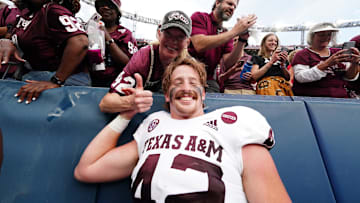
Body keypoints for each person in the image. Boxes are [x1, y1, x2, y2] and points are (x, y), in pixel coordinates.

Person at [74, 56, 291, 202]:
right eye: (178, 82)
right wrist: (126, 114)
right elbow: (87, 169)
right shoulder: (153, 124)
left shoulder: (235, 123)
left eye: (192, 82)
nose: (186, 87)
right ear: (167, 95)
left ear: (203, 93)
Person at [99, 10, 191, 113]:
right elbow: (106, 103)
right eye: (168, 34)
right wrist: (130, 102)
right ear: (159, 33)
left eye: (180, 37)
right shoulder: (144, 58)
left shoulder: (189, 67)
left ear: (187, 42)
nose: (173, 41)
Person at [0, 0, 89, 104]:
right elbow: (15, 34)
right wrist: (7, 41)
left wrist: (56, 81)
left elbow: (80, 42)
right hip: (32, 74)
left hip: (64, 80)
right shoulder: (28, 12)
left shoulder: (53, 10)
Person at [188, 0, 257, 92]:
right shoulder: (200, 17)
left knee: (214, 91)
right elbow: (199, 45)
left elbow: (229, 63)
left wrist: (242, 39)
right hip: (188, 73)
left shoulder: (226, 33)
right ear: (217, 3)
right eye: (229, 3)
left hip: (207, 80)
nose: (232, 8)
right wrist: (235, 31)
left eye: (234, 7)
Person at [291, 22, 360, 98]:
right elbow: (301, 77)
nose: (326, 38)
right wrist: (327, 64)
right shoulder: (302, 54)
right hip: (312, 99)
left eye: (329, 35)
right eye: (321, 35)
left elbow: (350, 77)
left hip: (340, 98)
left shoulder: (337, 52)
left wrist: (354, 64)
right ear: (312, 36)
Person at [90, 0, 138, 87]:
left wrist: (107, 36)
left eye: (110, 6)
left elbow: (129, 64)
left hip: (116, 84)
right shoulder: (90, 29)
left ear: (117, 13)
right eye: (102, 5)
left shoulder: (125, 33)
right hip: (91, 82)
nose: (105, 7)